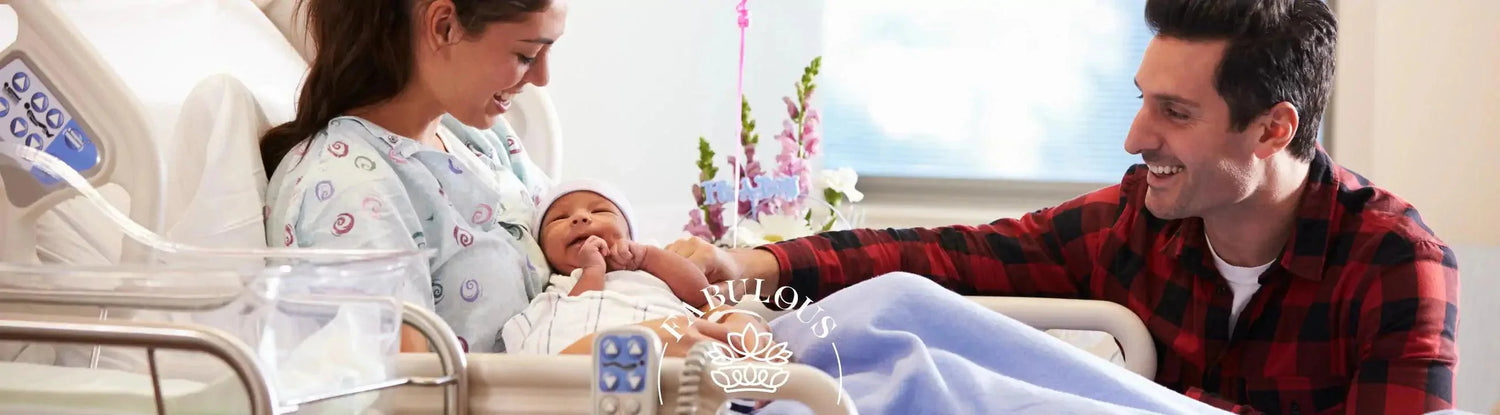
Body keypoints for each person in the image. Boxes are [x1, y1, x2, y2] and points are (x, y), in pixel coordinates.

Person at [666, 0, 1460, 413]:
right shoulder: (1141, 219)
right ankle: (752, 371)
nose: (1134, 137)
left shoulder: (1393, 265)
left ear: (1271, 129)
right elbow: (958, 255)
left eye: (1175, 113)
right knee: (909, 312)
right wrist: (756, 266)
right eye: (1142, 100)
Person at [501, 179, 770, 356]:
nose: (581, 218)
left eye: (600, 212)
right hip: (596, 364)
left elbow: (701, 295)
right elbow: (575, 316)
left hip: (678, 352)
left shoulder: (650, 267)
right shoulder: (560, 287)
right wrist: (592, 271)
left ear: (629, 233)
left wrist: (647, 257)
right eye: (560, 218)